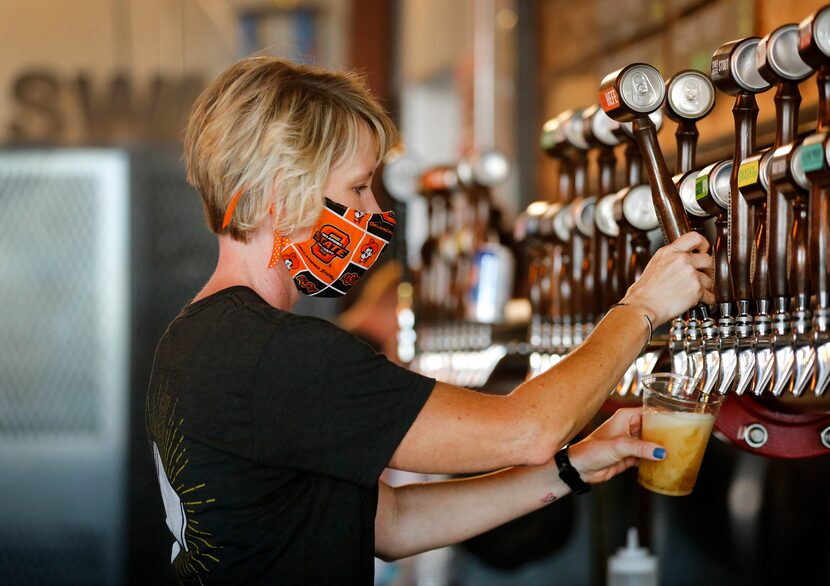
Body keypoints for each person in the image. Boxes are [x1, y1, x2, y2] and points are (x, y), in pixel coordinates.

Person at [145, 56, 715, 585]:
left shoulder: (193, 341)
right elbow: (529, 429)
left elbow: (389, 526)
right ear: (280, 193)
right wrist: (642, 307)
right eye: (358, 187)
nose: (372, 213)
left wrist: (571, 469)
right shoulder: (280, 355)